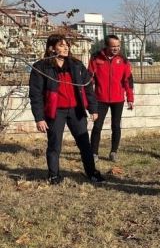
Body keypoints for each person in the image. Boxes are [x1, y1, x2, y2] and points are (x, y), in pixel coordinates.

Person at [28, 34, 105, 185]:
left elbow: (87, 87)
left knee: (84, 143)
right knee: (55, 144)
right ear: (51, 48)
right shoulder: (41, 67)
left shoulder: (76, 65)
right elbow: (35, 94)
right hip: (55, 112)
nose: (66, 48)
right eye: (61, 45)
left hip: (76, 110)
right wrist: (39, 118)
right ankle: (54, 175)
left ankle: (92, 173)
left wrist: (93, 108)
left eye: (67, 45)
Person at [89, 34, 135, 162]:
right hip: (100, 99)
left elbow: (128, 81)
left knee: (116, 126)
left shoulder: (123, 60)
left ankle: (113, 152)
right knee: (97, 126)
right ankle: (93, 153)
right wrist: (89, 99)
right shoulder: (95, 58)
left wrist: (130, 98)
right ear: (106, 46)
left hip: (118, 99)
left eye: (118, 46)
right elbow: (89, 79)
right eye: (113, 46)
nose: (116, 48)